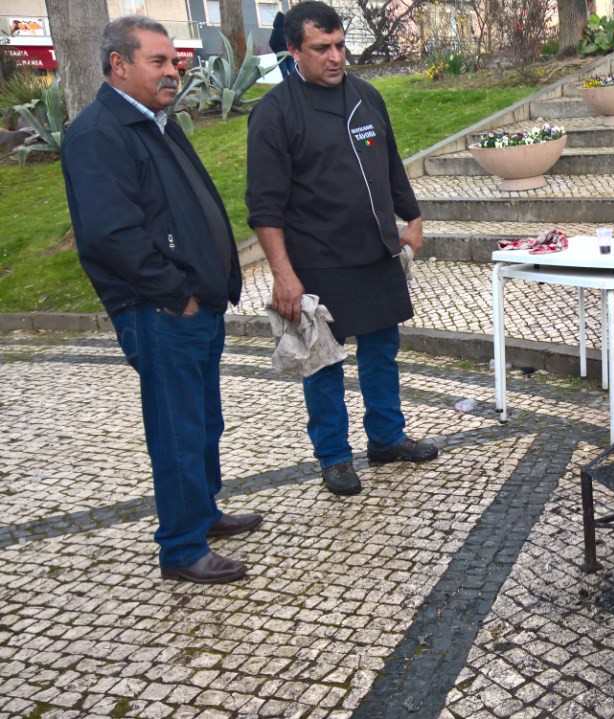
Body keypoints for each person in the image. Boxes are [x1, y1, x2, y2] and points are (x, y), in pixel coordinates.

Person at [61, 16, 259, 584]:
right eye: (158, 61)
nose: (173, 71)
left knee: (203, 422)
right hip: (160, 311)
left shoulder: (156, 124)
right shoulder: (101, 132)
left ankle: (202, 514)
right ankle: (180, 547)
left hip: (196, 305)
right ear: (118, 65)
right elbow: (111, 234)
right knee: (176, 431)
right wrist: (176, 295)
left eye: (174, 61)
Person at [245, 1, 438, 497]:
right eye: (321, 48)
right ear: (293, 51)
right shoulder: (274, 114)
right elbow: (264, 206)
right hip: (317, 260)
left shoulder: (366, 96)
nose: (335, 57)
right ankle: (333, 457)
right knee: (323, 363)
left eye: (339, 46)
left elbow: (392, 165)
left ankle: (387, 439)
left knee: (381, 352)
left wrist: (412, 218)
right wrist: (283, 275)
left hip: (375, 252)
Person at [268, 11, 295, 77]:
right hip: (289, 53)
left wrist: (277, 51)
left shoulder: (275, 31)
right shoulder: (288, 30)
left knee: (284, 72)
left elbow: (271, 42)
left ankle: (287, 85)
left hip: (280, 54)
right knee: (293, 71)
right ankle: (295, 84)